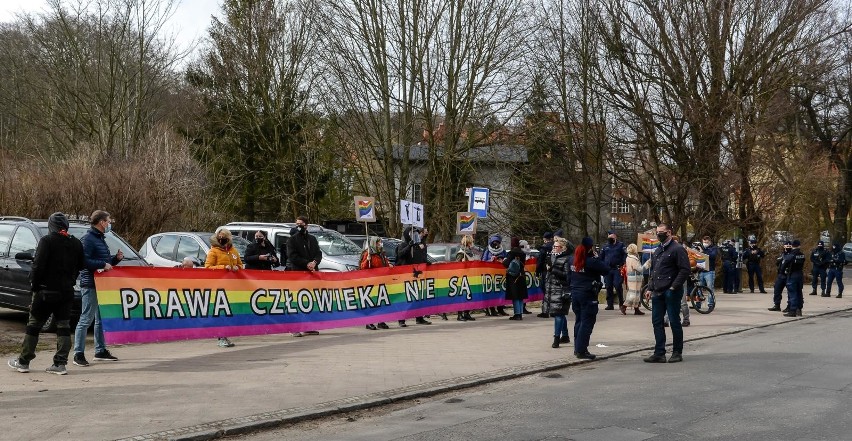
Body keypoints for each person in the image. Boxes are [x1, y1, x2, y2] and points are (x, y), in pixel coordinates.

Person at [8, 213, 84, 375]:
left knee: (34, 325)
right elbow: (81, 265)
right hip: (66, 292)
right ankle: (60, 364)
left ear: (51, 226)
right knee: (64, 326)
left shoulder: (47, 241)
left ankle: (23, 361)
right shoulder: (76, 243)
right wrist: (70, 279)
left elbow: (37, 267)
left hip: (45, 291)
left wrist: (34, 286)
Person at [73, 210, 122, 367]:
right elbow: (84, 262)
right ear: (101, 222)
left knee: (100, 319)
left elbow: (104, 262)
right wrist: (103, 264)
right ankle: (78, 353)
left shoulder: (100, 239)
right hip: (90, 284)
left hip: (102, 285)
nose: (109, 224)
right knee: (86, 318)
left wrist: (115, 260)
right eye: (108, 221)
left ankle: (100, 350)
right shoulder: (88, 239)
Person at [643, 223, 690, 363]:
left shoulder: (677, 249)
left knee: (674, 321)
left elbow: (685, 270)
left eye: (661, 232)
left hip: (671, 292)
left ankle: (677, 352)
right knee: (657, 322)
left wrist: (674, 287)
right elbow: (655, 271)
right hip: (658, 292)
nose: (658, 234)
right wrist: (650, 288)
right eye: (657, 232)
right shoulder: (658, 250)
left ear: (669, 232)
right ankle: (659, 353)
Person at [569, 237, 609, 360]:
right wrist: (596, 257)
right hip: (588, 294)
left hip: (575, 293)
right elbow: (606, 269)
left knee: (579, 321)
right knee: (587, 323)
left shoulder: (572, 260)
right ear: (590, 248)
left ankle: (577, 348)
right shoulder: (591, 261)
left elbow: (568, 277)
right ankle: (581, 350)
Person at [205, 227, 243, 347]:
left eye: (224, 237)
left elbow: (240, 265)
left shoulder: (233, 251)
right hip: (219, 287)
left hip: (231, 286)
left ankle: (226, 335)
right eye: (220, 237)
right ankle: (221, 336)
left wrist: (238, 268)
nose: (222, 239)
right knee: (221, 311)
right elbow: (208, 268)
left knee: (230, 312)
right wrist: (223, 268)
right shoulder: (213, 251)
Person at [287, 216, 323, 335]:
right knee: (297, 301)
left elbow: (318, 253)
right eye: (297, 224)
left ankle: (308, 326)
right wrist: (306, 263)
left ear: (306, 225)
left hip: (312, 274)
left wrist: (314, 262)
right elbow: (293, 256)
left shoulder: (312, 239)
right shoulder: (292, 240)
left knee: (310, 301)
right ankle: (294, 327)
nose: (298, 226)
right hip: (299, 274)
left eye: (301, 224)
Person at [395, 226, 431, 326]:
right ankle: (401, 319)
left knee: (418, 297)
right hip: (406, 275)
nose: (414, 235)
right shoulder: (403, 244)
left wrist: (427, 263)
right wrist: (409, 246)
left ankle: (419, 317)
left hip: (417, 276)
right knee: (405, 298)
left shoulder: (417, 245)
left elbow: (420, 258)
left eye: (415, 233)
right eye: (412, 233)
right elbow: (401, 255)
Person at [359, 236, 391, 330]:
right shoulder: (368, 253)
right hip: (371, 281)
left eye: (380, 242)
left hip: (381, 281)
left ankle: (381, 321)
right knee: (372, 302)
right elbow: (362, 267)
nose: (380, 244)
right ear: (374, 243)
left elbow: (384, 263)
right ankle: (369, 322)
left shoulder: (381, 253)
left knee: (381, 301)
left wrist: (388, 265)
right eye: (378, 243)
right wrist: (367, 261)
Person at [545, 238, 571, 348]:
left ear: (562, 248)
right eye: (553, 247)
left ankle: (556, 338)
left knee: (558, 314)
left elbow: (567, 275)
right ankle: (565, 335)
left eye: (556, 247)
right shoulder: (551, 257)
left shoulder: (566, 259)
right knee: (558, 313)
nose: (553, 248)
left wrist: (552, 270)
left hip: (561, 289)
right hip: (551, 289)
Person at [481, 234, 509, 316]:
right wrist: (490, 260)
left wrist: (502, 260)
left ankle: (500, 309)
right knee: (492, 292)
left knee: (501, 292)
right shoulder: (487, 251)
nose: (496, 243)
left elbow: (507, 260)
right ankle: (492, 309)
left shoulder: (503, 251)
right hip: (490, 275)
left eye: (497, 242)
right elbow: (483, 261)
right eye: (494, 242)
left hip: (500, 276)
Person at [601, 231, 627, 311]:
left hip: (617, 269)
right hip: (608, 269)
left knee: (617, 285)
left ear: (615, 237)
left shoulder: (620, 245)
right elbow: (601, 257)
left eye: (611, 237)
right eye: (609, 237)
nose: (610, 239)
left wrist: (623, 264)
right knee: (608, 286)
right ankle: (610, 304)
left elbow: (625, 255)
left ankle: (621, 303)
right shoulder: (605, 246)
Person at [454, 235, 477, 321]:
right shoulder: (461, 253)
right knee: (462, 296)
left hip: (469, 277)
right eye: (471, 242)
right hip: (462, 278)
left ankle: (467, 313)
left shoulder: (470, 252)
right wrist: (462, 263)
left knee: (469, 296)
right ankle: (459, 314)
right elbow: (457, 266)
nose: (473, 243)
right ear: (468, 243)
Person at [781, 239, 806, 317]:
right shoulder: (802, 255)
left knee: (792, 293)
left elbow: (784, 265)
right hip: (800, 274)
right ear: (799, 246)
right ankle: (799, 309)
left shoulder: (791, 255)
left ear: (792, 246)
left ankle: (792, 310)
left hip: (792, 275)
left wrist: (782, 272)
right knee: (799, 292)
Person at [504, 240, 528, 320]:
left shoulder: (512, 253)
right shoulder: (523, 253)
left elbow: (506, 263)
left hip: (513, 276)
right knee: (520, 296)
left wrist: (503, 260)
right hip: (521, 275)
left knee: (515, 296)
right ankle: (520, 313)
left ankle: (517, 314)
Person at [768, 242, 792, 312]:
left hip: (788, 275)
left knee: (790, 292)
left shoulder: (792, 255)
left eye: (789, 246)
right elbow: (777, 262)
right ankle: (777, 305)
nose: (787, 247)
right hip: (781, 275)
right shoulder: (782, 254)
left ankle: (789, 306)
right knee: (777, 290)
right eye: (786, 246)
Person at [622, 243, 645, 315]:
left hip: (633, 277)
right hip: (635, 278)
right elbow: (639, 269)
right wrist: (647, 265)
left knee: (636, 293)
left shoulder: (629, 257)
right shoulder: (633, 259)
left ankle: (636, 308)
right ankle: (624, 306)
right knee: (633, 294)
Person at [536, 232, 555, 318]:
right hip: (555, 272)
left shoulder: (544, 248)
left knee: (545, 291)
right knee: (554, 291)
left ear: (545, 239)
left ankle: (545, 311)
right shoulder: (557, 247)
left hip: (545, 271)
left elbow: (540, 261)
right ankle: (554, 310)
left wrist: (537, 272)